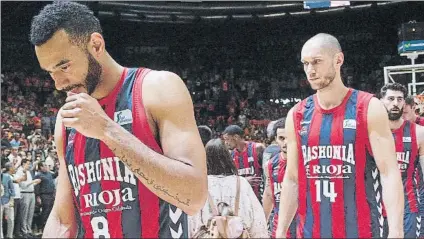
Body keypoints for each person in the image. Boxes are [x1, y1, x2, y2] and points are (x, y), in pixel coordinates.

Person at [30, 2, 207, 238]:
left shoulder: (157, 88)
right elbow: (63, 220)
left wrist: (106, 129)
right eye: (50, 72)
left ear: (96, 44)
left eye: (64, 66)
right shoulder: (67, 120)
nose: (59, 83)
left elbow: (194, 198)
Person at [276, 33, 404, 238]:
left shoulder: (368, 107)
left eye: (317, 62)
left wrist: (396, 231)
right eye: (305, 63)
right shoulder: (297, 114)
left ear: (338, 60)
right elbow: (292, 179)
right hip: (310, 231)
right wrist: (280, 232)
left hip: (362, 230)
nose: (310, 70)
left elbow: (389, 172)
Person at [188, 139, 268, 238]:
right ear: (228, 158)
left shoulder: (200, 185)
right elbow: (258, 223)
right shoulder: (241, 183)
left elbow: (192, 223)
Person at [380, 83, 424, 238]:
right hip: (378, 207)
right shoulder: (369, 133)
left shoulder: (419, 133)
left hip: (409, 206)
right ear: (381, 101)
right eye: (390, 99)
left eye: (399, 99)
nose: (395, 103)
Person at [263, 118, 296, 238]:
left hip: (304, 226)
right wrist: (262, 223)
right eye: (281, 138)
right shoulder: (271, 164)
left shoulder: (306, 160)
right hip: (279, 228)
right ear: (276, 139)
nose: (285, 142)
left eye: (289, 137)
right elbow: (269, 195)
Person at [222, 125, 265, 201]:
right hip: (242, 199)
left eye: (227, 139)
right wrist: (244, 181)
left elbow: (268, 174)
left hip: (259, 198)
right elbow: (228, 180)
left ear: (236, 137)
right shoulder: (230, 155)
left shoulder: (257, 148)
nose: (226, 143)